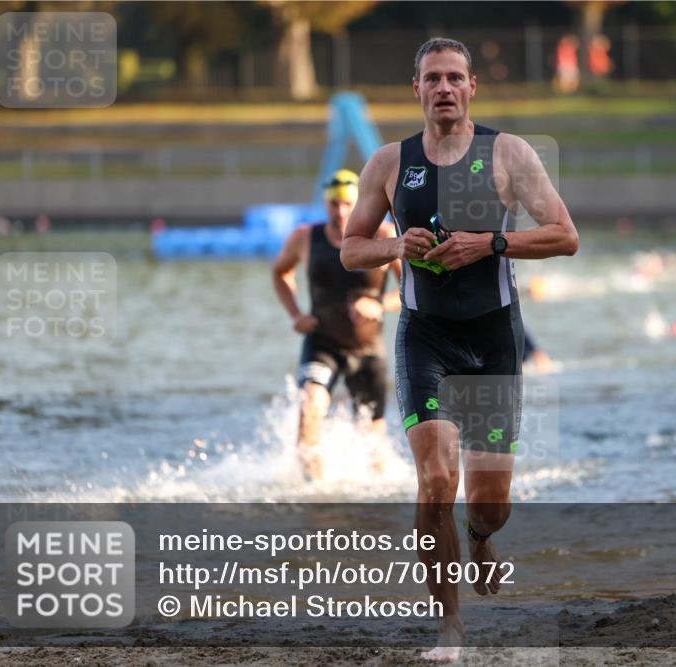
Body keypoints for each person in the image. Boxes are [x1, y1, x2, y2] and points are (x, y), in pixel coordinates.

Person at [340, 37, 579, 662]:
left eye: (454, 78)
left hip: (495, 337)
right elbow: (350, 248)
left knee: (492, 505)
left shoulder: (507, 153)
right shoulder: (389, 163)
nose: (443, 88)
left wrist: (489, 245)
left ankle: (480, 538)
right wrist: (397, 247)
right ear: (415, 89)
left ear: (472, 87)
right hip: (426, 337)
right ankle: (450, 626)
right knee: (436, 480)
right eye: (432, 79)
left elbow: (565, 235)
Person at [271, 169, 401, 479]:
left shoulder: (384, 236)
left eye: (347, 204)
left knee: (373, 438)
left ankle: (379, 497)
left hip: (368, 349)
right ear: (325, 204)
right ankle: (313, 491)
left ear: (359, 203)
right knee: (311, 406)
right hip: (322, 342)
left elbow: (413, 286)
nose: (340, 211)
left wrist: (379, 304)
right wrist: (295, 315)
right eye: (334, 204)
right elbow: (280, 272)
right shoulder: (305, 237)